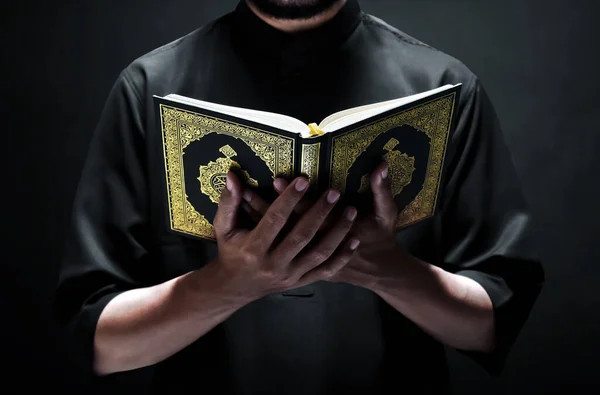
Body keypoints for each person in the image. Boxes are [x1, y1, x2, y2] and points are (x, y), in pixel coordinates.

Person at [55, 1, 544, 394]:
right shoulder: (150, 90)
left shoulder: (442, 89)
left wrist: (385, 267)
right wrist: (230, 282)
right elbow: (100, 343)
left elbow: (490, 326)